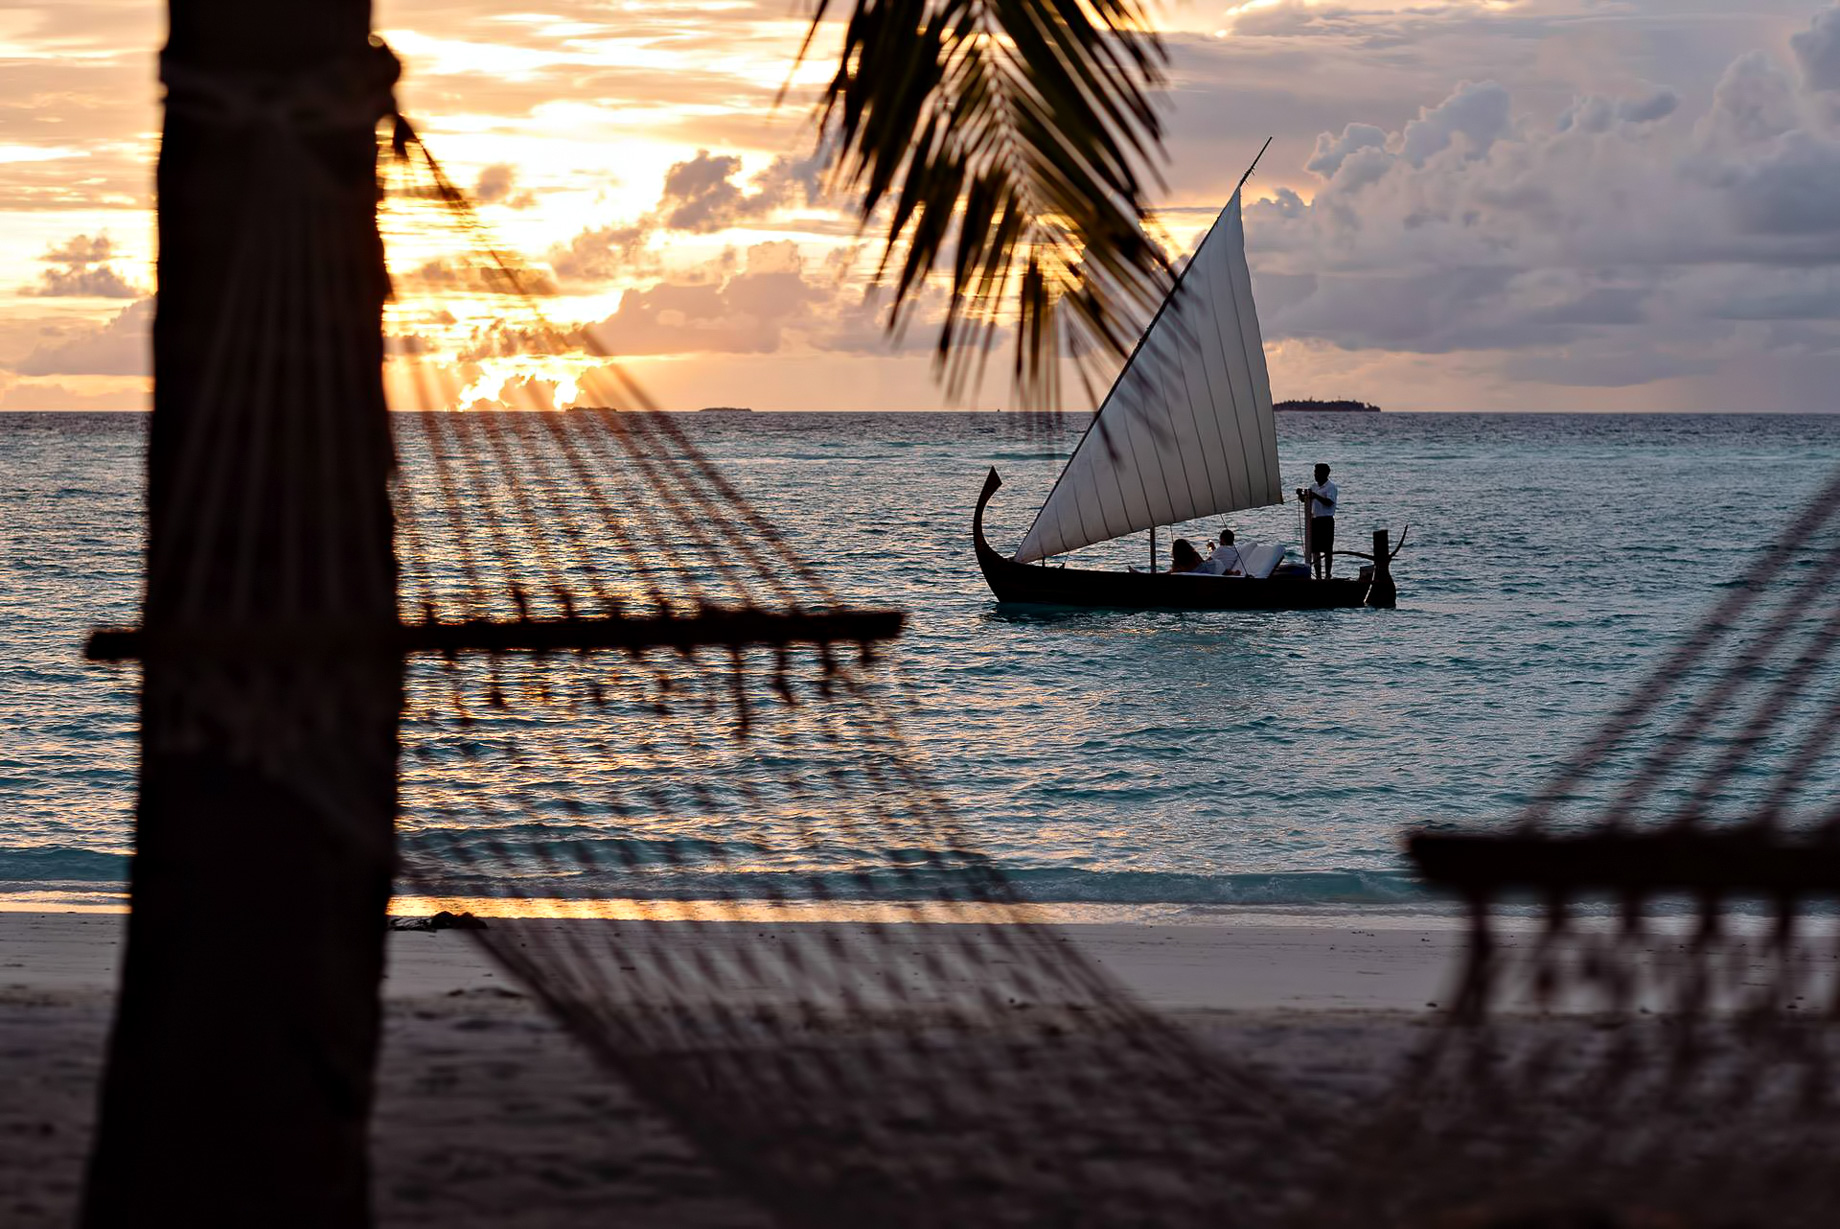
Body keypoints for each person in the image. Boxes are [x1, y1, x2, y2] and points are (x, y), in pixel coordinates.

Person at [1297, 463, 1338, 579]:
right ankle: (1318, 575)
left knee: (1327, 549)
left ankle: (1328, 575)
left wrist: (1316, 496)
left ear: (1325, 474)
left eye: (1318, 472)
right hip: (1314, 520)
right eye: (1315, 472)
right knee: (1314, 549)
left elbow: (1329, 502)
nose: (1315, 475)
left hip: (1326, 520)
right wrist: (1301, 495)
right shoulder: (1313, 486)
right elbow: (1306, 500)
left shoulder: (1331, 487)